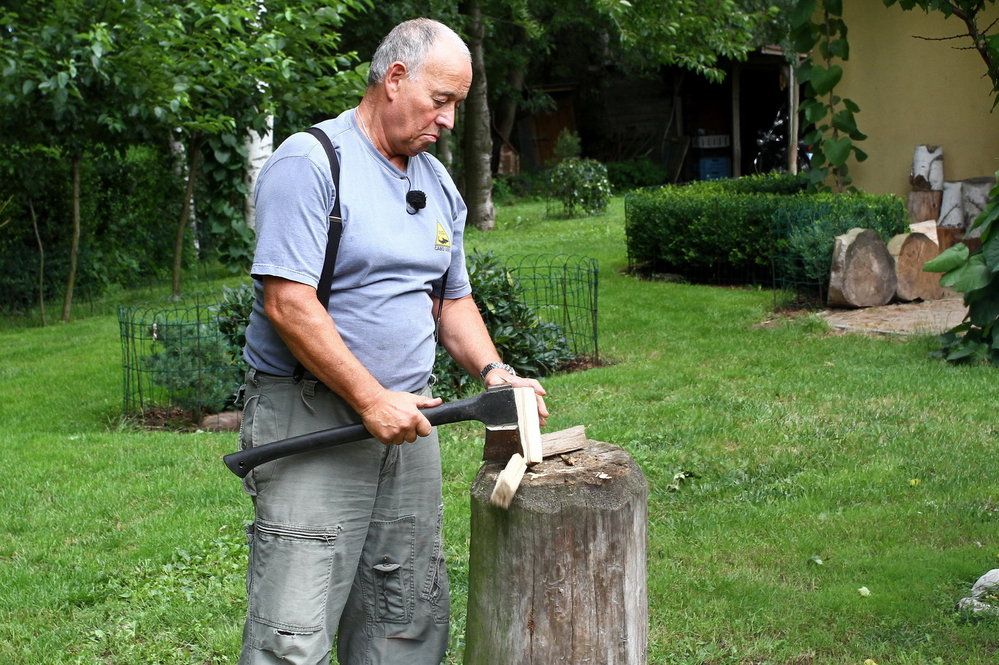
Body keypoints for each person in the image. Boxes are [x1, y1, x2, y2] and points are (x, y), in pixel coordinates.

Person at [237, 18, 548, 665]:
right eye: (442, 101)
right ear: (395, 78)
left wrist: (494, 369)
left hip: (410, 424)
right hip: (314, 420)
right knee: (290, 636)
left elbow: (451, 300)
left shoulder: (436, 185)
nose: (450, 120)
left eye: (458, 104)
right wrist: (370, 396)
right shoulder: (311, 161)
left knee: (402, 620)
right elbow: (287, 304)